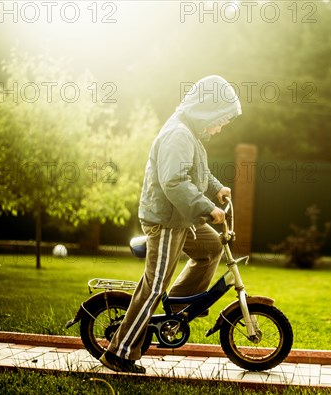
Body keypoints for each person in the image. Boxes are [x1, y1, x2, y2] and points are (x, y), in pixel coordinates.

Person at [100, 75, 242, 373]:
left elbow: (196, 171)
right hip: (166, 221)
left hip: (180, 217)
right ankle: (120, 352)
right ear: (206, 110)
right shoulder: (179, 134)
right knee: (154, 286)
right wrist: (208, 209)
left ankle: (173, 313)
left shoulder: (190, 133)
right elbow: (174, 182)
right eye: (219, 122)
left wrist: (216, 188)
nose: (218, 129)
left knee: (211, 247)